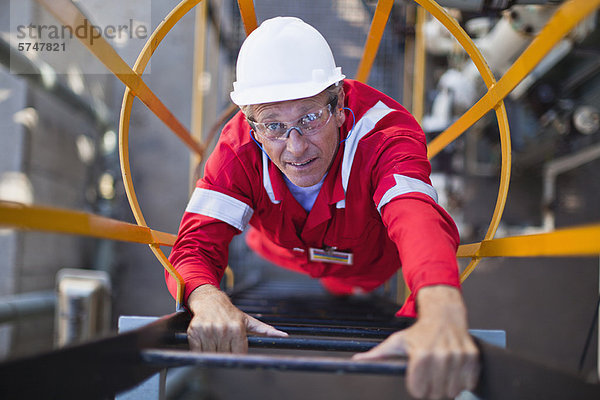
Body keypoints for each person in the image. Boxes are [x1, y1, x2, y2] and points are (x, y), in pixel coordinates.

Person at [167, 16, 479, 399]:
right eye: (274, 126)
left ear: (340, 102)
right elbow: (194, 244)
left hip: (368, 266)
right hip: (293, 255)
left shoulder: (383, 135)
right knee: (338, 287)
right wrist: (206, 297)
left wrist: (441, 301)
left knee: (348, 289)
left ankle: (346, 288)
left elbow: (414, 213)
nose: (296, 147)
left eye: (310, 117)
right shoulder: (238, 149)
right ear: (250, 121)